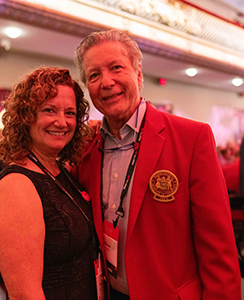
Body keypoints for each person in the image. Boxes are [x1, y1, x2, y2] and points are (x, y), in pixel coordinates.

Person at [73, 29, 241, 299]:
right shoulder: (86, 147)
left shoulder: (191, 138)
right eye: (94, 75)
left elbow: (218, 247)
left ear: (138, 74)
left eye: (116, 67)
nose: (106, 82)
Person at [0, 67, 99, 300]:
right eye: (49, 110)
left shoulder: (56, 169)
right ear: (26, 116)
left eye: (70, 113)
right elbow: (25, 295)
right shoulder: (16, 186)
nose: (62, 122)